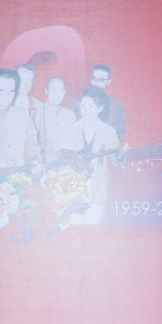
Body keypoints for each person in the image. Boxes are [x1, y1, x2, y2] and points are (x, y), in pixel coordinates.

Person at [60, 86, 121, 224]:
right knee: (75, 226)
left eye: (91, 106)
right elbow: (63, 161)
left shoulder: (109, 132)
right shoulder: (69, 130)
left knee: (93, 225)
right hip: (73, 190)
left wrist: (122, 156)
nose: (86, 110)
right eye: (83, 106)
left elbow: (115, 162)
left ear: (100, 108)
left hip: (98, 189)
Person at [36, 77, 76, 165]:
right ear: (46, 91)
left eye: (60, 90)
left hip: (66, 166)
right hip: (44, 165)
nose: (57, 94)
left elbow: (73, 143)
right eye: (53, 90)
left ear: (64, 92)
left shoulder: (70, 115)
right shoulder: (37, 112)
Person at [87, 64, 127, 141]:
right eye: (94, 79)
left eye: (101, 80)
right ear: (91, 80)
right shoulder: (79, 103)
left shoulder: (117, 106)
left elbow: (120, 133)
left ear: (108, 82)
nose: (96, 83)